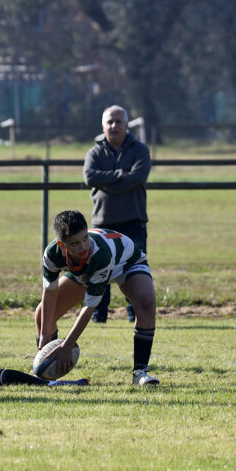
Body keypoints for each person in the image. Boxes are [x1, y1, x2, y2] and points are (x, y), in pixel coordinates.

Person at [35, 210, 159, 386]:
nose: (83, 246)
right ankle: (48, 375)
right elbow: (50, 292)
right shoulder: (52, 254)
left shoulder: (100, 254)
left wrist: (67, 345)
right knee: (42, 316)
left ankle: (140, 372)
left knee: (146, 303)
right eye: (75, 243)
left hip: (126, 263)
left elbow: (90, 306)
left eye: (85, 238)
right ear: (61, 246)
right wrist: (45, 335)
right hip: (85, 272)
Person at [83, 105, 151, 324]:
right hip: (103, 222)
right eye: (110, 122)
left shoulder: (140, 150)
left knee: (135, 270)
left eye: (118, 121)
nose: (114, 126)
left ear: (127, 124)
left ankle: (136, 314)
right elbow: (90, 177)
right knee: (99, 270)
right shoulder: (94, 153)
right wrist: (120, 175)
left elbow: (138, 178)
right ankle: (98, 315)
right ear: (103, 126)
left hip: (133, 221)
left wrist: (107, 185)